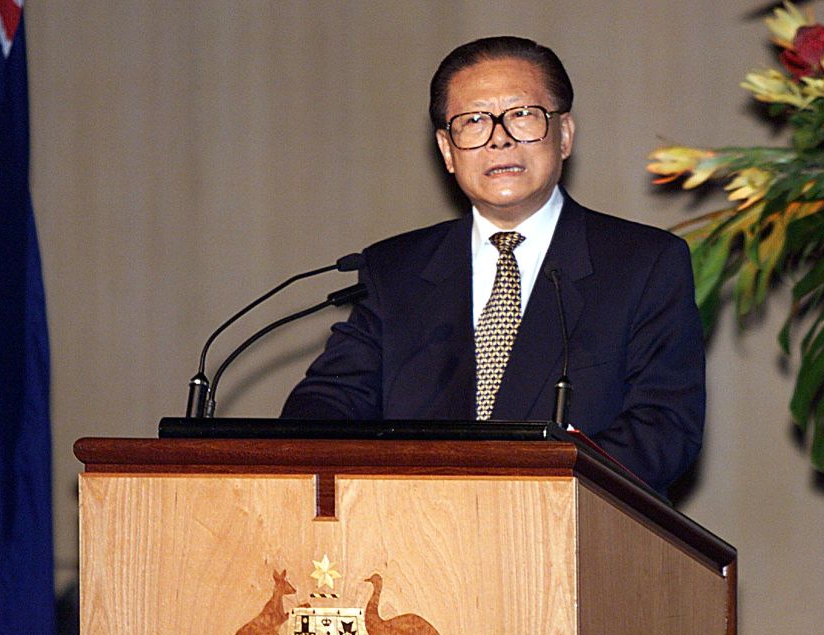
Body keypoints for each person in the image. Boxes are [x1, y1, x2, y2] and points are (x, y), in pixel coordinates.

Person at [282, 36, 704, 495]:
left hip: (569, 537)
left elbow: (664, 429)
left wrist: (532, 492)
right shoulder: (394, 271)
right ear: (447, 149)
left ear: (564, 135)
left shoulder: (643, 263)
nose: (499, 137)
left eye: (522, 115)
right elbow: (327, 404)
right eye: (474, 121)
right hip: (413, 537)